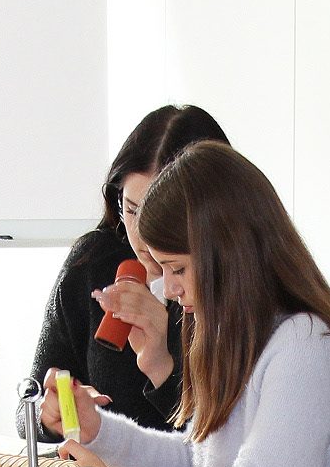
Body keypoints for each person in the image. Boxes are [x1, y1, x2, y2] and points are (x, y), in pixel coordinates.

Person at [39, 142, 330, 467]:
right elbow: (197, 463)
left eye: (177, 269)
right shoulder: (230, 332)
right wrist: (99, 430)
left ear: (227, 252)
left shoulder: (305, 344)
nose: (171, 288)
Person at [27, 104, 229, 430]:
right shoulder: (94, 261)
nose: (142, 238)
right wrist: (49, 415)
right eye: (132, 210)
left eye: (160, 218)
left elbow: (219, 450)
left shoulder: (234, 287)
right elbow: (31, 404)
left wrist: (163, 362)